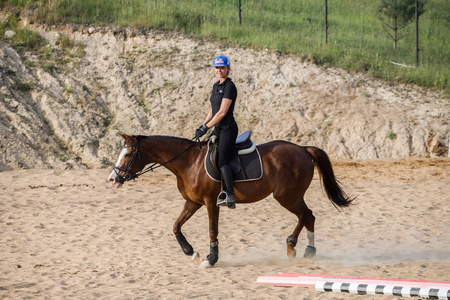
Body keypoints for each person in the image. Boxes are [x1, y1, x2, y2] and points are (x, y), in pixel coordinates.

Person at [195, 55, 238, 209]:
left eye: (222, 67)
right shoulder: (215, 86)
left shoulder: (229, 87)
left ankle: (230, 195)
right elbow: (213, 110)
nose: (219, 70)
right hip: (218, 128)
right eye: (217, 68)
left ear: (228, 69)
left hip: (228, 129)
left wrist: (206, 128)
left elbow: (221, 113)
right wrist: (203, 125)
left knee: (221, 161)